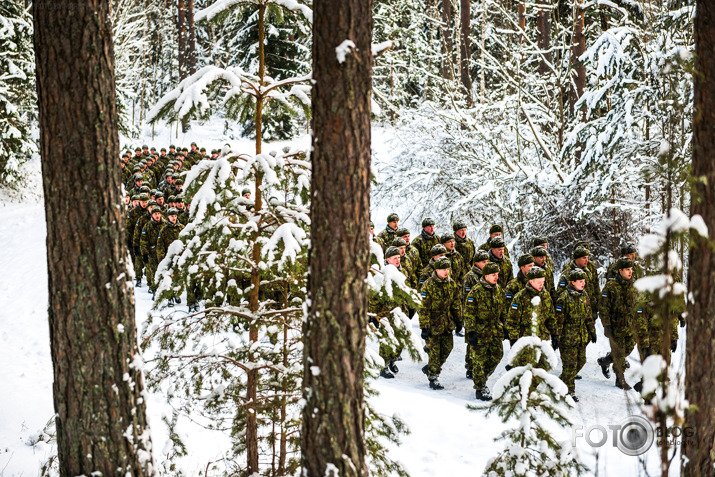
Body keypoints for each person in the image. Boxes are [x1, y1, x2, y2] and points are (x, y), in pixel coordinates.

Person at [597, 257, 649, 390]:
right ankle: (620, 379)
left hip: (631, 327)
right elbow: (603, 308)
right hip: (616, 327)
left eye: (631, 269)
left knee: (628, 350)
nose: (630, 272)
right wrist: (607, 326)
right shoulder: (611, 286)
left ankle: (606, 360)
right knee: (619, 354)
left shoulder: (635, 286)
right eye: (627, 269)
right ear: (620, 270)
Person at [464, 262, 507, 401]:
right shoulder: (475, 291)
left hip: (494, 330)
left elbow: (503, 311)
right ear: (486, 275)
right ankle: (480, 387)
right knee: (479, 360)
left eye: (497, 274)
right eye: (493, 275)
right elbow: (469, 313)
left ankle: (481, 378)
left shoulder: (499, 290)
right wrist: (471, 332)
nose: (496, 277)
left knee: (497, 355)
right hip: (479, 331)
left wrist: (505, 327)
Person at [419, 257, 461, 390]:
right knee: (435, 352)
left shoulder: (451, 284)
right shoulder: (428, 285)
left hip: (447, 323)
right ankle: (433, 377)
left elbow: (455, 303)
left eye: (448, 269)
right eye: (443, 269)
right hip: (433, 324)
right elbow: (423, 308)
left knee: (448, 347)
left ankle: (432, 367)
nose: (446, 272)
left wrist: (459, 320)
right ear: (436, 269)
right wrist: (424, 327)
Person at [555, 269, 597, 401]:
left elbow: (589, 316)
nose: (583, 283)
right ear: (572, 282)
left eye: (584, 281)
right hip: (567, 339)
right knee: (570, 365)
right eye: (580, 281)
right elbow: (558, 321)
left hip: (581, 337)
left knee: (582, 361)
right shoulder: (563, 298)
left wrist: (592, 331)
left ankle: (561, 381)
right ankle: (569, 392)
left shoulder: (584, 295)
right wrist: (556, 337)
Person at [370, 246, 405, 379]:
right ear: (387, 259)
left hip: (400, 312)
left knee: (400, 341)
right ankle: (383, 366)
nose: (397, 260)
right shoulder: (381, 274)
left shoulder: (401, 272)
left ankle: (392, 361)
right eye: (394, 258)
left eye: (399, 258)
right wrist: (374, 315)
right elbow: (373, 297)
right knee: (387, 342)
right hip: (385, 314)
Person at [506, 266, 557, 353]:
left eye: (543, 282)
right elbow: (512, 321)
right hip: (525, 340)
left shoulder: (546, 296)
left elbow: (551, 317)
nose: (541, 284)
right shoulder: (520, 297)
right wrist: (514, 340)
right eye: (538, 282)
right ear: (531, 281)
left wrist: (555, 334)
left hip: (542, 340)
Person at [461, 249, 491, 378]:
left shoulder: (487, 275)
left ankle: (478, 364)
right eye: (484, 261)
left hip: (485, 314)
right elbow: (467, 297)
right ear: (477, 263)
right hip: (473, 313)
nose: (487, 263)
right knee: (472, 341)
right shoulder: (470, 277)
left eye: (487, 261)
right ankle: (470, 366)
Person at [558, 246, 599, 322]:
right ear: (577, 258)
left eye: (587, 257)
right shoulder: (567, 274)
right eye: (584, 258)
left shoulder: (587, 272)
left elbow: (593, 289)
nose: (586, 260)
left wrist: (595, 307)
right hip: (573, 316)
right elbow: (560, 295)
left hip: (588, 312)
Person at [157, 208, 185, 306]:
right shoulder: (164, 230)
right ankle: (170, 298)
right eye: (172, 216)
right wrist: (162, 259)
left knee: (178, 276)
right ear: (168, 217)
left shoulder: (181, 228)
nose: (174, 218)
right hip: (168, 257)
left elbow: (186, 242)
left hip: (179, 257)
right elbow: (160, 246)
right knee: (169, 278)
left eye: (175, 216)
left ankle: (177, 294)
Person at [140, 206, 167, 297]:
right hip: (152, 252)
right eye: (155, 214)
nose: (157, 215)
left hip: (164, 252)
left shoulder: (165, 224)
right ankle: (155, 290)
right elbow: (143, 241)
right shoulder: (147, 226)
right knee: (154, 271)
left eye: (159, 213)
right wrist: (144, 253)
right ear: (152, 215)